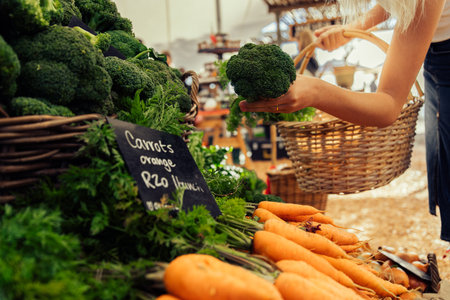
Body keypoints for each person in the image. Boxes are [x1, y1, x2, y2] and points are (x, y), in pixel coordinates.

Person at [240, 0, 450, 243]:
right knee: (442, 161)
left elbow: (389, 105)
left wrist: (316, 92)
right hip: (434, 54)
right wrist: (353, 28)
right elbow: (399, 4)